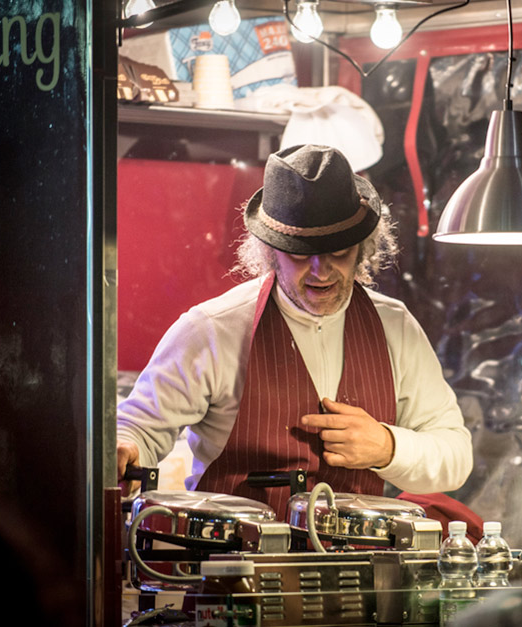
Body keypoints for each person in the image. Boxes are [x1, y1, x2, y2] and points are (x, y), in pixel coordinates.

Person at [116, 144, 473, 515]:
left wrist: (388, 447)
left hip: (360, 552)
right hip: (237, 550)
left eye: (338, 251)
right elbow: (138, 427)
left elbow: (456, 455)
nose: (321, 270)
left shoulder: (396, 328)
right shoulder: (212, 330)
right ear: (270, 251)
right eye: (301, 253)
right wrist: (126, 447)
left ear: (362, 248)